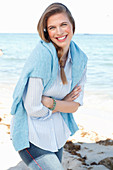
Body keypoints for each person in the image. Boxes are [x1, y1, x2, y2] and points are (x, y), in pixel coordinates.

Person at [10, 2, 87, 170]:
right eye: (52, 27)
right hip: (31, 137)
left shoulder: (80, 59)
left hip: (56, 136)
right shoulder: (42, 56)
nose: (59, 32)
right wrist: (61, 104)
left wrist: (52, 103)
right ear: (46, 31)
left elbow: (74, 105)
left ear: (72, 25)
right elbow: (32, 108)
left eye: (63, 25)